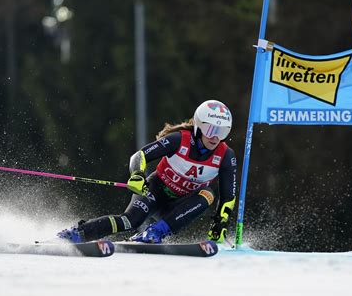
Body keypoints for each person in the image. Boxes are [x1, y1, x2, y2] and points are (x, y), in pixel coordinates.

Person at [57, 99, 237, 244]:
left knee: (208, 193)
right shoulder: (179, 140)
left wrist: (220, 223)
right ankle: (78, 234)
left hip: (179, 207)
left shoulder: (225, 155)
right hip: (154, 191)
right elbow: (139, 155)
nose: (215, 137)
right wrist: (137, 175)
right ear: (198, 126)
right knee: (130, 221)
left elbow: (228, 196)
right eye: (211, 129)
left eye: (222, 131)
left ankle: (154, 233)